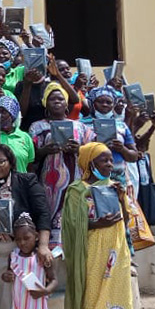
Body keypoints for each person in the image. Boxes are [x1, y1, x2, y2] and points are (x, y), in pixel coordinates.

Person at [0, 144, 52, 309]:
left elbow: (43, 214)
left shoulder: (26, 181)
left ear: (10, 162)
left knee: (23, 302)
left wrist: (43, 245)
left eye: (1, 161)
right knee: (0, 306)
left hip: (21, 253)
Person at [62, 143, 133, 309]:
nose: (110, 164)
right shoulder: (77, 190)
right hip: (92, 252)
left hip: (117, 252)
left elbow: (125, 221)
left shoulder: (115, 187)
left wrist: (120, 198)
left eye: (111, 160)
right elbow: (70, 224)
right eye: (104, 160)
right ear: (89, 163)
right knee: (93, 296)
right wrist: (96, 224)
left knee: (117, 294)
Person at [29, 83, 94, 247]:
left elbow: (95, 155)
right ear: (45, 103)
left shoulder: (80, 127)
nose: (56, 101)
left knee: (75, 217)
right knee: (49, 218)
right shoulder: (37, 127)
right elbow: (31, 158)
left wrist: (79, 149)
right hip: (49, 185)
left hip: (76, 182)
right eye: (52, 99)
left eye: (60, 98)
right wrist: (45, 151)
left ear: (66, 104)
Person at [1, 213, 57, 309]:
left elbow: (54, 280)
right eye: (18, 240)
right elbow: (8, 273)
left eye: (26, 238)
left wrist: (45, 291)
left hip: (37, 307)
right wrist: (6, 276)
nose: (22, 243)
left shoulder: (41, 257)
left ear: (36, 236)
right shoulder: (13, 256)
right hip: (19, 305)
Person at [82, 87, 140, 187]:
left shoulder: (121, 126)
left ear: (113, 105)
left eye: (108, 102)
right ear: (93, 104)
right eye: (100, 101)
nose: (104, 104)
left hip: (118, 180)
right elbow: (77, 152)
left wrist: (122, 149)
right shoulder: (82, 125)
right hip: (90, 179)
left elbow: (134, 156)